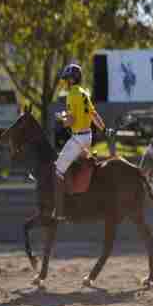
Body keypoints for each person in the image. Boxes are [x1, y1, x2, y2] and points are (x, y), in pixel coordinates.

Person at [53, 63, 106, 220]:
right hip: (88, 137)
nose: (66, 82)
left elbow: (70, 121)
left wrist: (61, 119)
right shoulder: (85, 93)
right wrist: (104, 129)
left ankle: (60, 211)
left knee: (57, 170)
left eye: (67, 79)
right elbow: (94, 115)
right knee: (77, 167)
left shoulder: (71, 94)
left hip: (77, 139)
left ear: (71, 80)